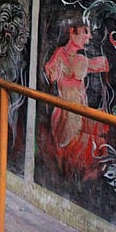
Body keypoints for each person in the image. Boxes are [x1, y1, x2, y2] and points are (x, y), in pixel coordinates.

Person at [43, 16, 109, 178]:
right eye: (85, 32)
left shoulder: (79, 58)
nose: (89, 36)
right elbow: (50, 72)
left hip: (79, 113)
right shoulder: (62, 55)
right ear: (72, 32)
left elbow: (101, 64)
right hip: (67, 117)